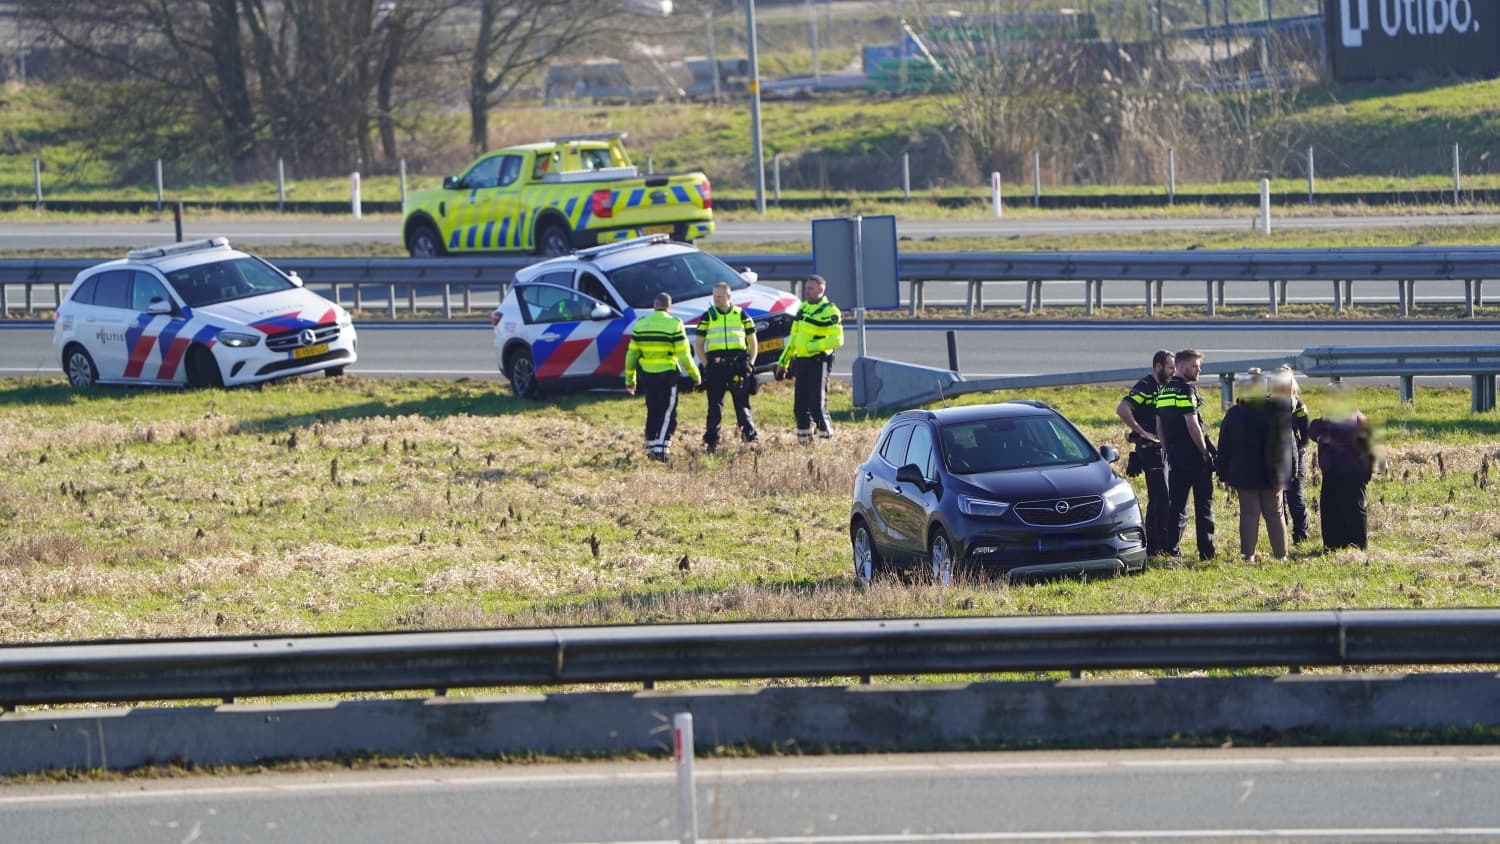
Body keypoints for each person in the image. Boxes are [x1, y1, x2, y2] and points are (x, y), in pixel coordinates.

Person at [1214, 368, 1296, 562]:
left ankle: (1248, 555)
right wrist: (1292, 468)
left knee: (1249, 513)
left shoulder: (1234, 414)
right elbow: (1289, 442)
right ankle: (1281, 555)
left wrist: (1222, 471)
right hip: (1274, 471)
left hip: (1244, 472)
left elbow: (1224, 444)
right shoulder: (1276, 410)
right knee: (1275, 513)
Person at [1154, 348, 1216, 561]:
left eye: (1199, 366)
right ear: (1181, 366)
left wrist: (1167, 449)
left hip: (1174, 456)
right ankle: (1206, 552)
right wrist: (1205, 452)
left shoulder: (1163, 392)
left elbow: (1159, 426)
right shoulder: (1186, 391)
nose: (1199, 370)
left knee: (1177, 506)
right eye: (1194, 366)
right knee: (1204, 505)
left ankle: (1172, 550)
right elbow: (1192, 424)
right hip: (1194, 456)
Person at [624, 292, 701, 461]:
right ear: (669, 306)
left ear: (654, 305)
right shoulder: (674, 324)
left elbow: (631, 355)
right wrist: (695, 374)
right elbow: (684, 354)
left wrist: (630, 379)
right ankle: (661, 450)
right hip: (667, 375)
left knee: (653, 410)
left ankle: (651, 448)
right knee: (667, 413)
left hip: (648, 375)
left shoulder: (641, 325)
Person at [1115, 349, 1175, 557]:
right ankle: (1154, 546)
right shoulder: (1146, 386)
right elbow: (1123, 408)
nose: (1173, 372)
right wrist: (1142, 432)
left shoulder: (1163, 387)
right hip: (1150, 450)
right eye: (1170, 367)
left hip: (1162, 448)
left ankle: (1157, 542)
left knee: (1161, 497)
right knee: (1161, 496)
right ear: (1158, 366)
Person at [776, 274, 844, 442]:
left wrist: (811, 347)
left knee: (816, 404)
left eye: (810, 288)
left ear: (821, 289)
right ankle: (804, 442)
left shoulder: (830, 310)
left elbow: (837, 340)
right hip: (802, 361)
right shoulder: (803, 308)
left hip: (819, 360)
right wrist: (783, 362)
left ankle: (826, 440)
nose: (807, 291)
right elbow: (793, 338)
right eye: (806, 288)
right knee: (800, 406)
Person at [694, 281, 759, 452]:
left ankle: (750, 439)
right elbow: (699, 344)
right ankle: (711, 442)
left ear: (729, 296)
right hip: (716, 365)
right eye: (714, 296)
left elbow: (753, 343)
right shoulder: (708, 316)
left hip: (738, 364)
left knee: (742, 404)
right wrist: (707, 365)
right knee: (714, 406)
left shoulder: (741, 315)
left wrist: (750, 364)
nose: (717, 300)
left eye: (720, 296)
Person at [1309, 406, 1376, 550]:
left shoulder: (1355, 418)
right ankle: (1336, 545)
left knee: (1351, 508)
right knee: (1333, 507)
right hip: (1335, 470)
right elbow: (1313, 430)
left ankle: (1356, 546)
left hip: (1351, 470)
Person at [1277, 365, 1312, 544]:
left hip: (1294, 457)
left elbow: (1306, 434)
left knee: (1296, 499)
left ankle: (1301, 535)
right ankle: (1282, 535)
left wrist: (1300, 450)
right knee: (1279, 501)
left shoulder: (1298, 405)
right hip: (1275, 458)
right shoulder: (1269, 404)